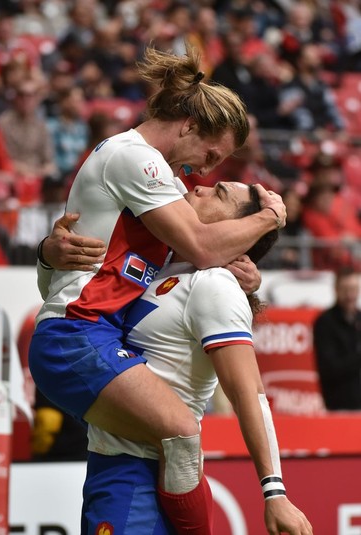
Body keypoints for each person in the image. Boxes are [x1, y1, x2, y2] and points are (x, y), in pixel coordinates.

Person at [29, 44, 286, 533]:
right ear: (188, 125)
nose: (207, 171)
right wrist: (271, 215)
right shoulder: (138, 159)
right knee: (183, 432)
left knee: (163, 442)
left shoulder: (160, 182)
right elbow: (203, 245)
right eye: (211, 154)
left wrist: (251, 279)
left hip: (90, 335)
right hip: (77, 335)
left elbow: (180, 262)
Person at [81, 182, 312, 535]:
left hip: (143, 474)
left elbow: (248, 392)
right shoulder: (165, 264)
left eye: (218, 194)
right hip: (108, 465)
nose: (200, 187)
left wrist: (274, 491)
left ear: (238, 228)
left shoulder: (214, 285)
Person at [313, 266, 361, 411]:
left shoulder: (359, 318)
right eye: (345, 289)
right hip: (340, 404)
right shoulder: (325, 322)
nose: (350, 295)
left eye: (353, 289)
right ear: (336, 289)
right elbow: (330, 367)